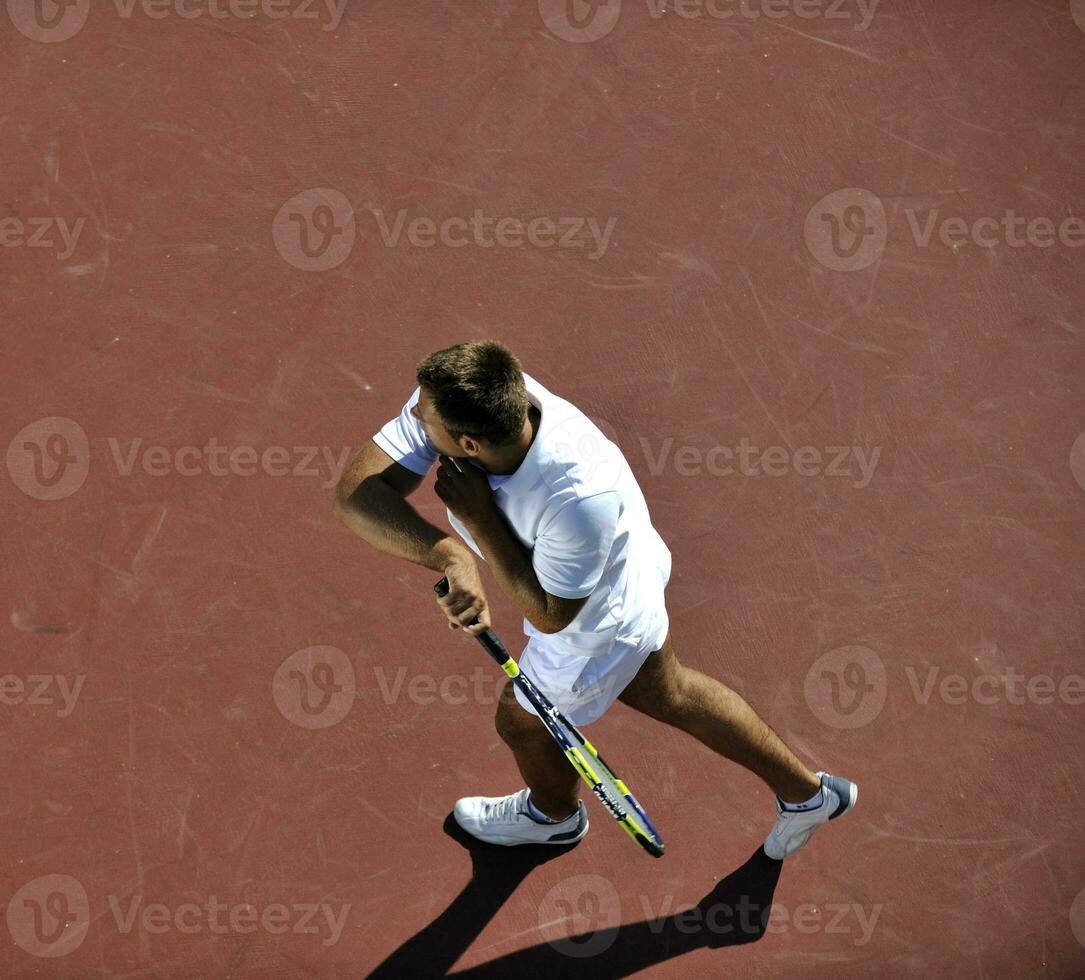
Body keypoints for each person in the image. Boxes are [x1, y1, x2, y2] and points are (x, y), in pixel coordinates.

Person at [333, 340, 857, 858]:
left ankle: (551, 818)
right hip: (627, 560)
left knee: (520, 720)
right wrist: (453, 557)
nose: (415, 418)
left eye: (427, 423)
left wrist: (479, 519)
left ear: (469, 446)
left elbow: (552, 615)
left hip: (595, 623)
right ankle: (810, 795)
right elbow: (358, 497)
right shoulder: (484, 398)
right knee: (667, 691)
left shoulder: (576, 500)